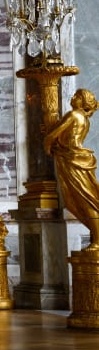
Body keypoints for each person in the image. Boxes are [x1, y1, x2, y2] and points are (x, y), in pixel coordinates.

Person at [44, 89, 99, 251]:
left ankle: (97, 239)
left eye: (77, 96)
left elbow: (53, 134)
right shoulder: (85, 119)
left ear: (83, 101)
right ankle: (95, 236)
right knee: (85, 200)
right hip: (78, 157)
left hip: (72, 159)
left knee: (84, 200)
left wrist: (48, 145)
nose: (73, 98)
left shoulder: (73, 115)